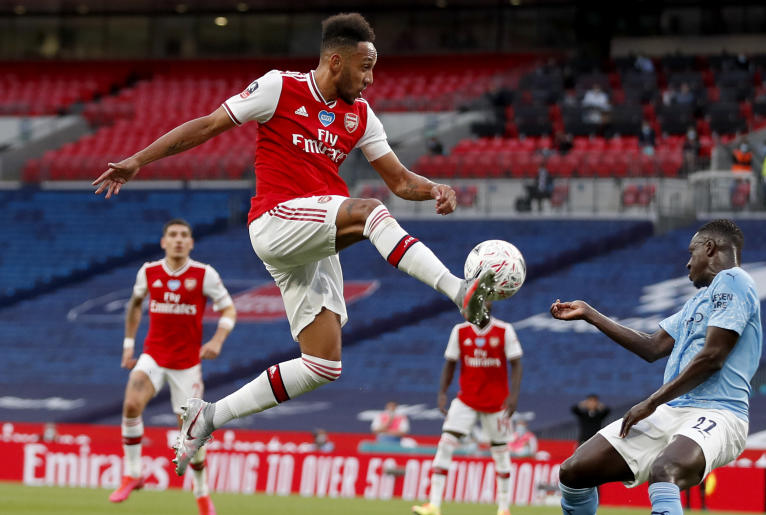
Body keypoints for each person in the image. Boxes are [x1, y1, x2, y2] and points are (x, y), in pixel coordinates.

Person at [92, 13, 498, 476]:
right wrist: (137, 160)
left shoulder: (361, 116)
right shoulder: (279, 88)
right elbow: (206, 126)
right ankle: (457, 290)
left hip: (314, 238)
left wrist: (435, 189)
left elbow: (402, 181)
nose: (369, 80)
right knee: (367, 212)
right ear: (336, 60)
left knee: (322, 365)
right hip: (275, 220)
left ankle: (209, 416)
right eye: (365, 68)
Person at [549, 218, 762, 515]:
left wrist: (650, 402)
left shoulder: (735, 283)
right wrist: (591, 314)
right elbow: (651, 347)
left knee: (667, 469)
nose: (688, 263)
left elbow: (713, 358)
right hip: (674, 411)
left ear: (711, 248)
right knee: (574, 471)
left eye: (692, 252)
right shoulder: (700, 301)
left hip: (721, 412)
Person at [108, 218, 236, 515]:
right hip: (153, 355)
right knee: (130, 404)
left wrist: (217, 341)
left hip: (187, 365)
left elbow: (229, 309)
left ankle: (202, 494)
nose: (178, 240)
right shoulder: (149, 272)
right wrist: (128, 346)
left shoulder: (204, 274)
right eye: (173, 235)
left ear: (191, 243)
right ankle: (133, 473)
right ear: (163, 241)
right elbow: (135, 305)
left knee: (190, 437)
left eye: (184, 236)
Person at [413, 302, 523, 515]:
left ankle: (504, 509)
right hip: (466, 399)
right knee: (445, 444)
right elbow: (450, 363)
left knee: (501, 454)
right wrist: (443, 392)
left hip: (496, 403)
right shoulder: (460, 331)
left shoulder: (504, 330)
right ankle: (434, 505)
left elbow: (517, 364)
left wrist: (513, 396)